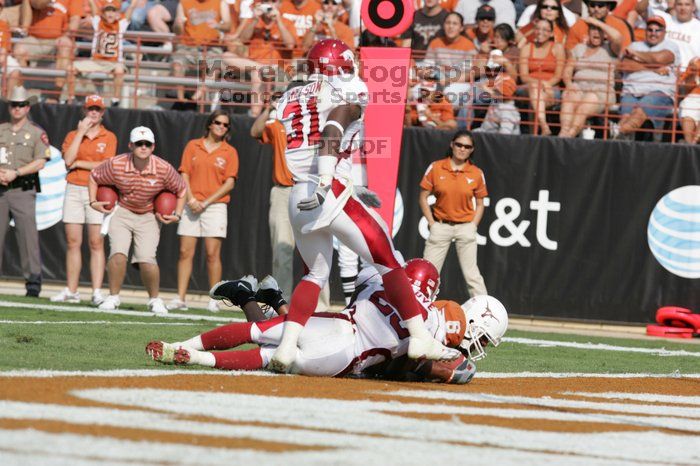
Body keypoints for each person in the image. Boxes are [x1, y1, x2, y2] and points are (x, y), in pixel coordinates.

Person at [268, 39, 462, 373]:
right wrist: (329, 178)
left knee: (314, 273)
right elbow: (332, 129)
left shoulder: (289, 96)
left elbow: (303, 140)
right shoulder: (349, 88)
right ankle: (419, 336)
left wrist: (340, 181)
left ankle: (286, 348)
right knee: (388, 259)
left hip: (299, 194)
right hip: (327, 187)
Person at [146, 259, 509, 383]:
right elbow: (450, 370)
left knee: (266, 333)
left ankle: (196, 342)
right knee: (267, 355)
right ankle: (211, 342)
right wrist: (441, 364)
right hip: (348, 354)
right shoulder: (437, 321)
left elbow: (364, 292)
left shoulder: (380, 280)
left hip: (340, 323)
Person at [88, 126, 186, 314]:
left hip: (148, 215)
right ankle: (113, 296)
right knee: (117, 254)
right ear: (130, 145)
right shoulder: (116, 164)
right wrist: (93, 201)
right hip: (122, 211)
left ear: (153, 146)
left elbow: (181, 189)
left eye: (147, 144)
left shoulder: (163, 168)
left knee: (147, 259)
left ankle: (154, 299)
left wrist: (178, 214)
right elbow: (94, 177)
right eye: (139, 143)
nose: (143, 147)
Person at [167, 111, 238, 312]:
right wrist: (190, 198)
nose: (221, 127)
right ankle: (180, 298)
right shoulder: (193, 145)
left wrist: (205, 202)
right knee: (184, 252)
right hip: (191, 204)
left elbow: (230, 183)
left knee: (212, 254)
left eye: (225, 125)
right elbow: (184, 173)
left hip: (214, 206)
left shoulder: (229, 151)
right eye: (217, 123)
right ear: (209, 124)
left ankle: (214, 299)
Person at [51, 95, 116, 305]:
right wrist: (80, 132)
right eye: (90, 109)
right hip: (73, 188)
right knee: (73, 242)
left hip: (97, 190)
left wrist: (80, 161)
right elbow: (67, 160)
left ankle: (97, 291)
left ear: (103, 112)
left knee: (96, 242)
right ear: (84, 111)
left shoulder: (109, 137)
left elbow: (106, 165)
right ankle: (72, 290)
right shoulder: (73, 134)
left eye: (97, 109)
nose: (94, 113)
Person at [419, 130, 487, 299]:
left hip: (465, 227)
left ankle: (487, 314)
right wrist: (432, 223)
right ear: (452, 144)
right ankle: (418, 310)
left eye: (467, 146)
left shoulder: (476, 173)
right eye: (459, 144)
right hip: (441, 226)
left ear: (472, 150)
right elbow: (423, 197)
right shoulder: (436, 167)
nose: (462, 149)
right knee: (428, 273)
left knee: (472, 276)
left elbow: (480, 203)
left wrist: (473, 225)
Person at [0, 86, 50, 297]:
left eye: (21, 105)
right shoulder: (1, 130)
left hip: (23, 189)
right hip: (1, 190)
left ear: (28, 107)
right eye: (14, 105)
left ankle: (33, 282)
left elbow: (41, 161)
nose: (17, 108)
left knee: (28, 237)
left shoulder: (36, 132)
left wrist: (16, 172)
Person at [250, 87, 297, 300]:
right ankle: (282, 301)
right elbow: (255, 132)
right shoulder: (278, 124)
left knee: (315, 256)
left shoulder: (317, 124)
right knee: (282, 251)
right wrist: (270, 105)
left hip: (310, 190)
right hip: (284, 191)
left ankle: (318, 306)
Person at [616, 17, 679, 141]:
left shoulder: (671, 46)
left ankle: (617, 132)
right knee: (626, 116)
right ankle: (620, 137)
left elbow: (660, 59)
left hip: (658, 91)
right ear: (646, 31)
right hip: (631, 91)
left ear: (664, 32)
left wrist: (636, 55)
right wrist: (654, 68)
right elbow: (625, 65)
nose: (653, 33)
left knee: (639, 113)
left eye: (657, 30)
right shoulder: (635, 45)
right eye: (650, 30)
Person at [69, 0, 137, 106]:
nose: (110, 13)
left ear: (117, 13)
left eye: (113, 11)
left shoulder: (120, 24)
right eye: (107, 11)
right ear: (103, 13)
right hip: (96, 61)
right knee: (71, 68)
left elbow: (131, 8)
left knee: (119, 71)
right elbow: (92, 5)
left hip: (113, 63)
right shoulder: (98, 22)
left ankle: (115, 100)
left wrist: (133, 3)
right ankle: (71, 98)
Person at [558, 26, 617, 138]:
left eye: (600, 30)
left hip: (601, 90)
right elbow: (568, 70)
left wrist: (593, 20)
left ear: (605, 34)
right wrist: (569, 84)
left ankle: (570, 136)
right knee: (569, 98)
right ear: (588, 33)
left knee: (584, 105)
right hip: (579, 87)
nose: (596, 33)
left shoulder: (610, 48)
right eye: (593, 30)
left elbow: (618, 38)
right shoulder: (579, 48)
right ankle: (563, 133)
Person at [14, 0, 82, 96]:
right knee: (19, 50)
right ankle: (21, 91)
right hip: (35, 38)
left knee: (65, 45)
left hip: (59, 38)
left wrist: (67, 35)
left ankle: (55, 94)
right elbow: (36, 4)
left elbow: (75, 20)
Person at [172, 0, 231, 102]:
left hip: (211, 47)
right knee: (177, 65)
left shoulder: (220, 3)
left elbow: (228, 26)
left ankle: (195, 98)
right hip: (187, 47)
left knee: (216, 66)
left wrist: (218, 25)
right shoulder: (184, 3)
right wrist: (178, 24)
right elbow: (177, 31)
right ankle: (181, 99)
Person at [518, 18, 565, 135]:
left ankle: (533, 134)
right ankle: (544, 126)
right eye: (538, 29)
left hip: (551, 87)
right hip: (530, 86)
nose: (540, 32)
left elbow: (558, 76)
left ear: (551, 33)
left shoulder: (557, 48)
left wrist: (547, 85)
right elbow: (524, 76)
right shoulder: (527, 48)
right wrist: (542, 83)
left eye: (545, 29)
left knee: (535, 98)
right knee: (534, 89)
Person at [637, 0, 700, 68]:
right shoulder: (665, 19)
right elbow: (640, 9)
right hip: (660, 70)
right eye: (679, 4)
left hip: (687, 73)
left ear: (693, 7)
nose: (683, 8)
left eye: (687, 5)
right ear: (674, 6)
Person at [566, 0, 632, 54]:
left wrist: (596, 22)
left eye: (600, 5)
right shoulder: (578, 25)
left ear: (608, 7)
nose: (596, 9)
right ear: (588, 6)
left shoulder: (619, 25)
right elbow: (569, 52)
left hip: (609, 66)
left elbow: (624, 52)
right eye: (592, 5)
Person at [0, 2, 21, 98]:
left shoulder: (3, 25)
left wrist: (2, 57)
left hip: (1, 55)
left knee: (15, 69)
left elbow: (4, 48)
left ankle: (7, 102)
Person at [678, 57, 700, 144]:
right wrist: (693, 73)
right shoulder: (696, 62)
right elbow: (686, 88)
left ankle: (692, 144)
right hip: (694, 97)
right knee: (687, 106)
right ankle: (690, 145)